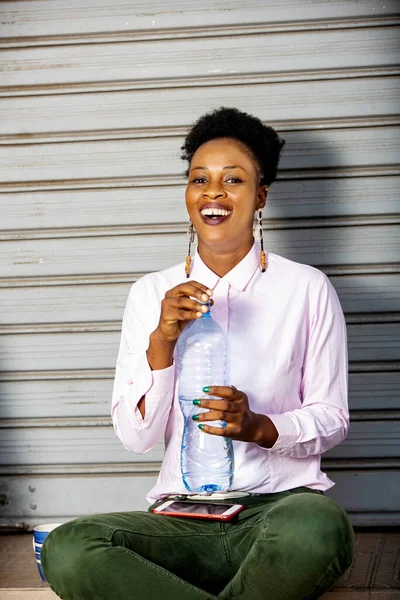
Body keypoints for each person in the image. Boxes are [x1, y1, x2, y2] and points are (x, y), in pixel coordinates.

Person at [42, 107, 354, 600]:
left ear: (260, 197)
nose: (214, 191)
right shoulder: (151, 293)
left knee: (318, 527)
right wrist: (162, 341)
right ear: (188, 196)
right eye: (199, 179)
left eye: (233, 179)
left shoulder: (307, 288)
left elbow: (332, 419)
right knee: (69, 547)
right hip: (182, 519)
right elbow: (135, 437)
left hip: (277, 514)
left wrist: (261, 427)